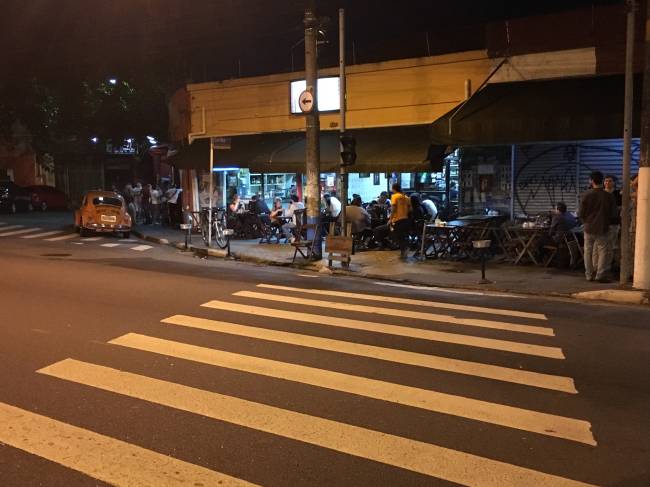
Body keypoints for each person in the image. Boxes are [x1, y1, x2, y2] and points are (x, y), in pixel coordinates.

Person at [579, 171, 616, 283]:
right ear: (602, 181)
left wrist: (586, 221)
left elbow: (581, 213)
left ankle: (589, 275)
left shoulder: (586, 194)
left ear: (591, 180)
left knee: (588, 251)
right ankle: (600, 274)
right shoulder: (608, 196)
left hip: (589, 227)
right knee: (603, 251)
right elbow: (613, 214)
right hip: (603, 228)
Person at [604, 175, 622, 273]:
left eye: (610, 181)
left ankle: (611, 266)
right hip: (602, 223)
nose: (607, 183)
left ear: (614, 183)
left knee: (613, 245)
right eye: (606, 181)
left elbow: (621, 207)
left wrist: (612, 209)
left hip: (614, 223)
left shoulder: (617, 194)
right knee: (604, 246)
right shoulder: (601, 193)